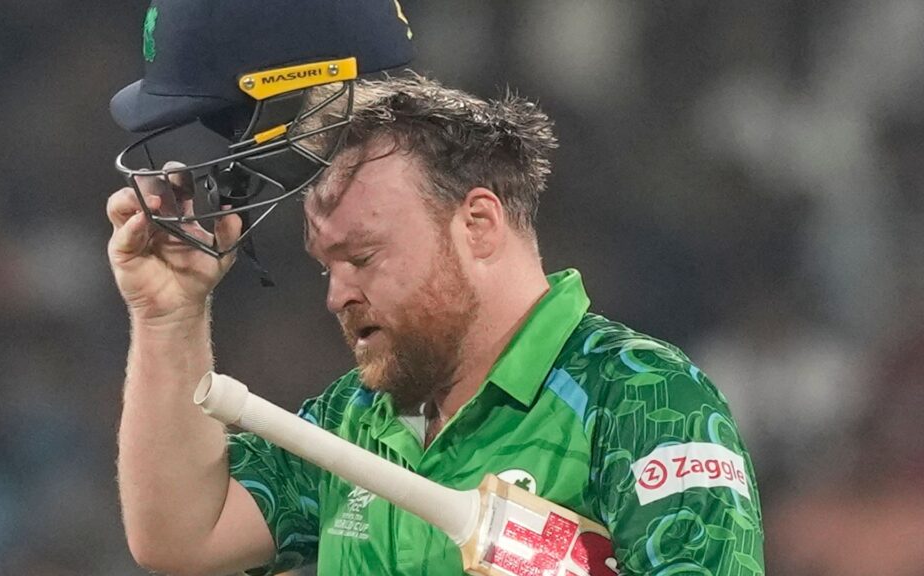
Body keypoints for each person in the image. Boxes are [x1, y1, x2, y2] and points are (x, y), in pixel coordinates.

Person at [107, 3, 764, 576]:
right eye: (327, 265)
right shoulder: (357, 417)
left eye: (364, 256)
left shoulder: (642, 398)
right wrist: (169, 314)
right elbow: (184, 535)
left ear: (476, 224)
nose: (337, 296)